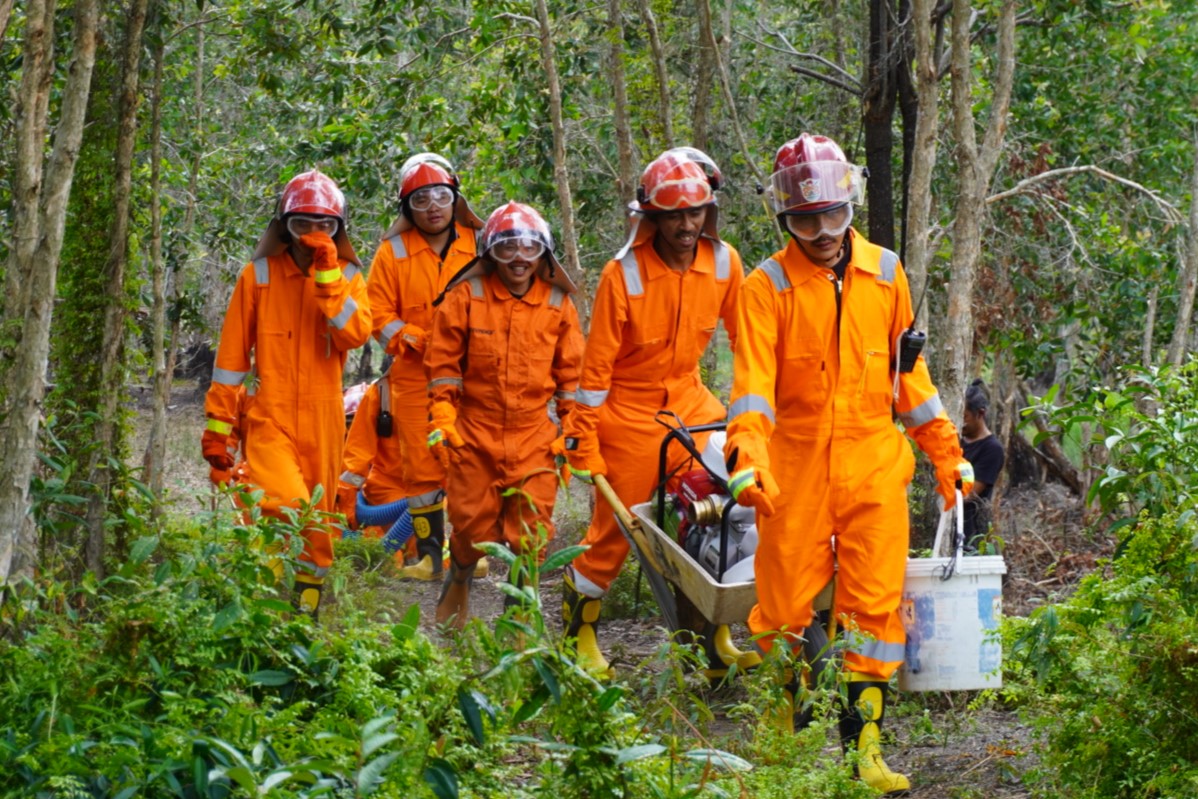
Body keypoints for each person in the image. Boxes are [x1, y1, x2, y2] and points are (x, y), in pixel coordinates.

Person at [723, 133, 973, 794]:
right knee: (780, 609)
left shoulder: (887, 273)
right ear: (785, 217)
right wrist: (748, 457)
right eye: (807, 219)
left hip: (872, 464)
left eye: (833, 215)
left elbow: (909, 382)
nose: (824, 231)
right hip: (794, 470)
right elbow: (751, 390)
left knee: (873, 610)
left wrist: (948, 457)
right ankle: (781, 738)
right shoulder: (764, 287)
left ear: (850, 205)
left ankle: (862, 749)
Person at [560, 147, 745, 675]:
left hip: (692, 404)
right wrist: (583, 438)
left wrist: (758, 410)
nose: (686, 225)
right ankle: (578, 638)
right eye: (674, 215)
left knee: (716, 518)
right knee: (616, 531)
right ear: (652, 217)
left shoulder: (725, 261)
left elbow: (748, 340)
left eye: (695, 213)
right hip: (629, 413)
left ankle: (709, 640)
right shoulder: (625, 274)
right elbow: (594, 374)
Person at [201, 169, 371, 617]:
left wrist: (329, 278)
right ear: (283, 226)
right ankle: (263, 598)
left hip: (326, 418)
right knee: (289, 505)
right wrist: (220, 432)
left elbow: (355, 334)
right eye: (301, 225)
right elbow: (231, 361)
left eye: (324, 226)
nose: (311, 235)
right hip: (270, 414)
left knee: (322, 527)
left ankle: (301, 621)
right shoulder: (256, 276)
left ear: (339, 229)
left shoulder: (349, 275)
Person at [425, 202, 584, 629]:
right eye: (507, 249)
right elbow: (443, 368)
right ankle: (457, 587)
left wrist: (571, 431)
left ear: (543, 255)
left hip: (534, 433)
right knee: (469, 527)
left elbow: (571, 377)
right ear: (490, 254)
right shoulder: (466, 296)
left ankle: (517, 631)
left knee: (530, 538)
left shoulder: (557, 304)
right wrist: (442, 416)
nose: (518, 258)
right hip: (474, 433)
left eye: (528, 249)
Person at [365, 153, 483, 581]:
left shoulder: (481, 242)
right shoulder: (391, 251)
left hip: (473, 374)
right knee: (421, 466)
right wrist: (411, 337)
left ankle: (469, 552)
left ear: (455, 197)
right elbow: (376, 312)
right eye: (420, 200)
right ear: (406, 207)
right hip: (414, 375)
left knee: (471, 460)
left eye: (440, 195)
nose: (432, 206)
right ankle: (430, 558)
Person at [961, 379, 1004, 550]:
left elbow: (969, 494)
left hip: (970, 532)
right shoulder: (956, 439)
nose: (961, 422)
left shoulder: (992, 449)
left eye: (965, 417)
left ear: (980, 413)